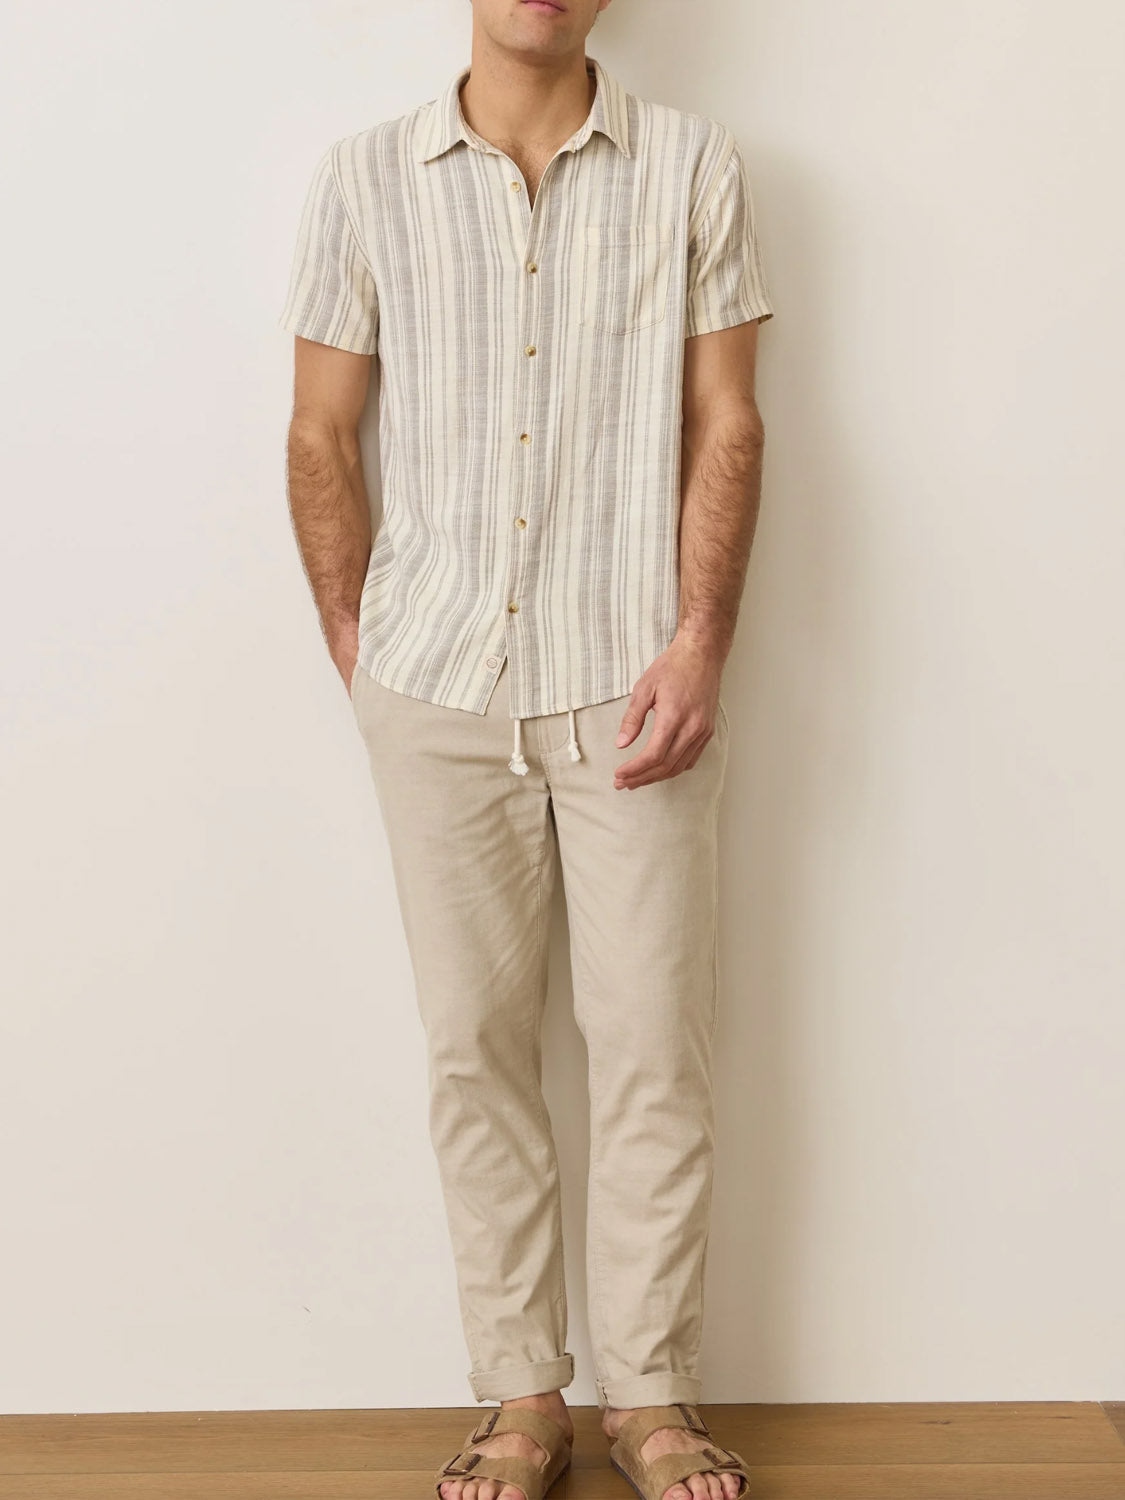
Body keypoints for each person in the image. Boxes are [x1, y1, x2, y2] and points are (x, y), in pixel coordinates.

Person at [279, 2, 773, 1497]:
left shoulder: (694, 165)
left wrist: (697, 645)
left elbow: (728, 423)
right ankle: (519, 1398)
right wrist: (363, 647)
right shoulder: (364, 177)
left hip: (632, 686)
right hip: (436, 687)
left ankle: (654, 1398)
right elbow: (317, 431)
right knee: (472, 1052)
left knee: (649, 1049)